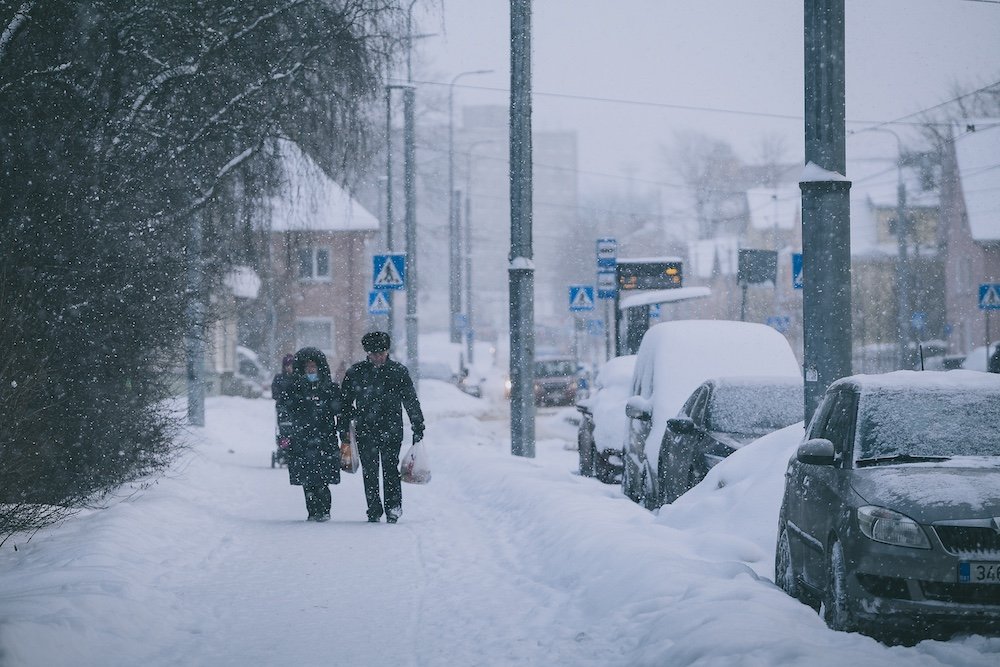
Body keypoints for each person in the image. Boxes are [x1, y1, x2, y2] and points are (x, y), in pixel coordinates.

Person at [339, 331, 424, 524]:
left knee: (390, 469)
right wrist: (345, 423)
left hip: (391, 429)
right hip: (366, 429)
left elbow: (410, 400)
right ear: (367, 353)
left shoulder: (398, 372)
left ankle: (393, 507)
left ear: (387, 351)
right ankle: (374, 508)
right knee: (370, 470)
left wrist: (417, 423)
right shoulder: (356, 373)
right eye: (375, 353)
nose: (379, 357)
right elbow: (345, 402)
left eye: (382, 352)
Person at [285, 347, 342, 521]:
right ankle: (312, 509)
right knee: (306, 478)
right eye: (307, 367)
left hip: (324, 438)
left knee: (322, 478)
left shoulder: (329, 389)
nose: (311, 370)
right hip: (302, 439)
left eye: (313, 366)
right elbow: (287, 411)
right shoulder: (294, 389)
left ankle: (324, 509)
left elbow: (339, 409)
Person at [271, 353, 295, 433]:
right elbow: (275, 393)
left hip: (295, 409)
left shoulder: (297, 379)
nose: (289, 368)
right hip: (282, 409)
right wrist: (284, 397)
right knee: (284, 430)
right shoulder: (279, 378)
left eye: (291, 365)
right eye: (287, 365)